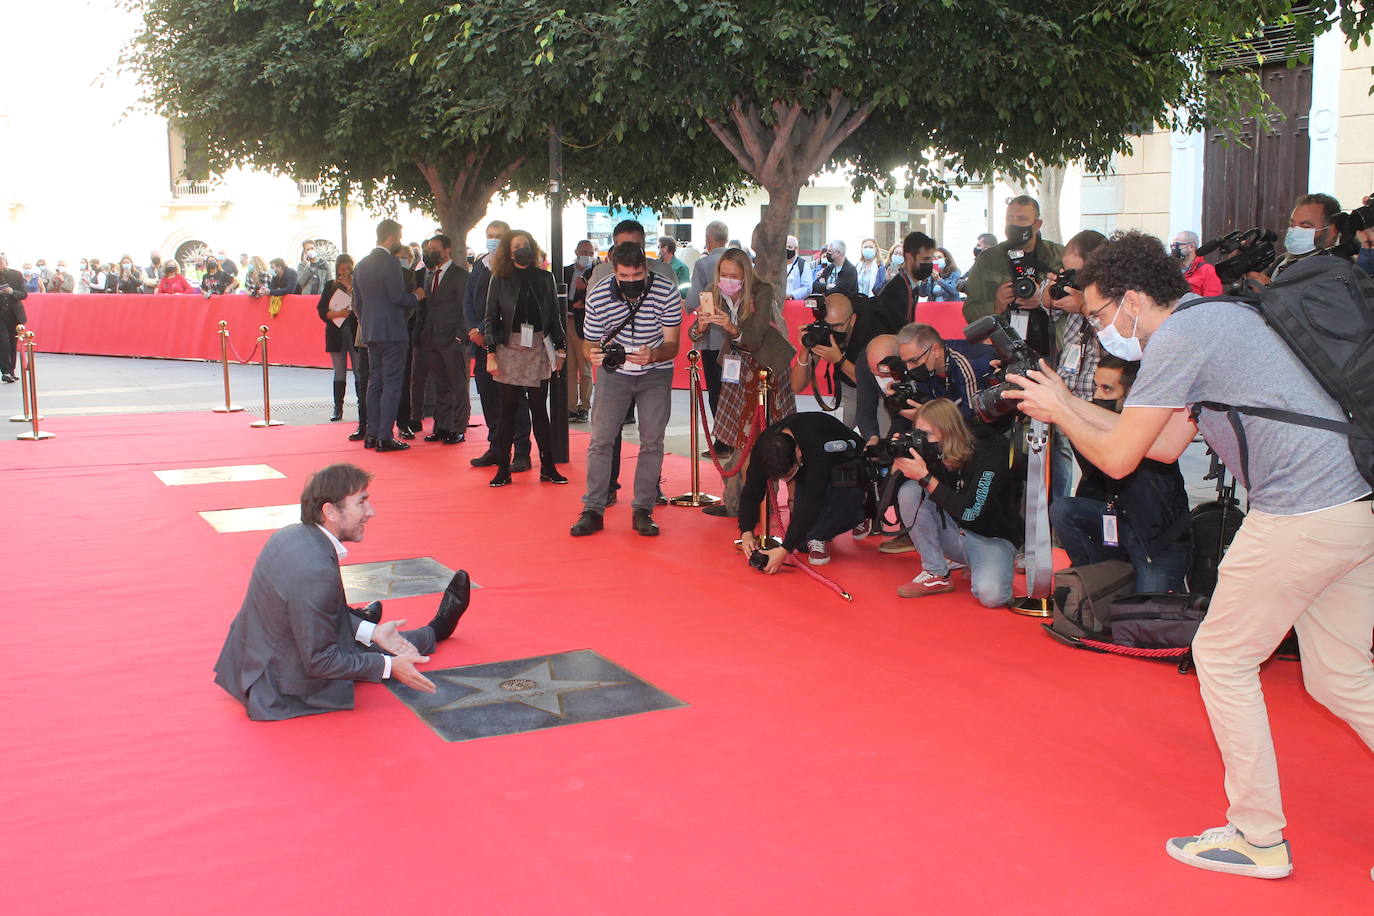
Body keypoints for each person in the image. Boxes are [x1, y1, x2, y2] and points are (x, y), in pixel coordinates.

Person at [1004, 229, 1373, 881]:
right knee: (1340, 677)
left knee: (1223, 659)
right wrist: (1066, 404)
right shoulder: (1218, 319)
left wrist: (1060, 411)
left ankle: (1258, 837)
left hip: (1300, 513)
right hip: (1352, 507)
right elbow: (1161, 445)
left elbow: (1118, 457)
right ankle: (1257, 832)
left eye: (1099, 314)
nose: (1099, 328)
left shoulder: (1178, 338)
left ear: (1136, 299)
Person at [213, 463, 471, 721]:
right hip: (280, 686)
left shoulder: (291, 535)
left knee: (371, 641)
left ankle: (410, 629)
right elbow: (320, 661)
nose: (371, 511)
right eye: (362, 502)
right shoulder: (315, 572)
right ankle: (437, 629)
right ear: (330, 512)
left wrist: (372, 631)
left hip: (251, 661)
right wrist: (390, 667)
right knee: (372, 654)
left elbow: (301, 612)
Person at [1049, 355, 1191, 593]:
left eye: (1107, 389)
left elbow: (1118, 464)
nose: (1097, 396)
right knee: (1064, 510)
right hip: (1116, 523)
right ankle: (1095, 582)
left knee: (1145, 622)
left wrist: (1069, 410)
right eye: (1095, 386)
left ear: (1132, 394)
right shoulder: (1096, 425)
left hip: (1156, 541)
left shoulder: (1153, 436)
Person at [571, 241, 683, 538]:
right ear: (614, 272)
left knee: (652, 441)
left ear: (646, 270)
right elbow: (589, 342)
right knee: (600, 440)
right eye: (625, 277)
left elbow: (673, 344)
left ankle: (643, 510)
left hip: (655, 374)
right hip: (613, 375)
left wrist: (655, 354)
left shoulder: (665, 291)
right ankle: (593, 509)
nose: (632, 282)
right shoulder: (598, 295)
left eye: (637, 276)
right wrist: (592, 354)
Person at [692, 248, 798, 517]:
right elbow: (694, 335)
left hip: (767, 365)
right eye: (724, 275)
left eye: (735, 276)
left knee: (766, 431)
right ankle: (740, 497)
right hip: (737, 367)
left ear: (746, 275)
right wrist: (702, 327)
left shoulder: (762, 291)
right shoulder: (713, 290)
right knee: (741, 432)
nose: (728, 281)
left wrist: (731, 327)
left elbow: (756, 334)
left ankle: (759, 500)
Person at [891, 398, 1020, 605]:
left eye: (927, 435)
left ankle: (986, 563)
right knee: (910, 491)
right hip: (953, 532)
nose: (922, 441)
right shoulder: (931, 451)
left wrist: (926, 478)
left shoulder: (989, 457)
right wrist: (900, 461)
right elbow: (894, 502)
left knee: (992, 596)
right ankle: (937, 572)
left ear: (949, 431)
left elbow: (971, 513)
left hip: (991, 537)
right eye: (918, 435)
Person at [482, 230, 566, 487]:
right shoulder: (499, 278)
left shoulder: (545, 277)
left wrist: (561, 350)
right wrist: (491, 353)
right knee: (507, 410)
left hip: (538, 346)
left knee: (540, 409)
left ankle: (548, 466)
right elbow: (491, 317)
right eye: (516, 246)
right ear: (508, 250)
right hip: (509, 348)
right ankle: (503, 469)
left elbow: (554, 316)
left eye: (525, 245)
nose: (521, 249)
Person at [738, 412, 867, 569]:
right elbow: (751, 492)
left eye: (790, 473)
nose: (788, 479)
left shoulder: (816, 445)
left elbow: (812, 500)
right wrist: (746, 532)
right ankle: (820, 532)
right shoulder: (765, 447)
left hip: (849, 461)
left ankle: (862, 511)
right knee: (802, 543)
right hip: (811, 463)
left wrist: (784, 550)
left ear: (798, 452)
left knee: (819, 525)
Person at [1040, 228, 1109, 497]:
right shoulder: (1074, 293)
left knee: (1099, 483)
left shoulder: (1110, 300)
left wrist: (1084, 304)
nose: (1072, 280)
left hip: (1097, 405)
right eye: (1066, 272)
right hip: (1070, 401)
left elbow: (1113, 344)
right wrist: (1051, 290)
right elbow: (1045, 304)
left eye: (1076, 273)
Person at [466, 220, 533, 469]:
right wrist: (473, 329)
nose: (493, 239)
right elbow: (468, 300)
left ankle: (522, 452)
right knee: (489, 397)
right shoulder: (480, 265)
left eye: (498, 235)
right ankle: (496, 446)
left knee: (514, 398)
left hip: (507, 343)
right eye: (489, 235)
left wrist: (484, 329)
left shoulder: (517, 269)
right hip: (481, 344)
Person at [963, 195, 1064, 358]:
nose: (1014, 224)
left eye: (1022, 219)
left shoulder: (1059, 257)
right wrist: (996, 307)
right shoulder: (988, 260)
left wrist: (1045, 300)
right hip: (1003, 351)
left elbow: (1080, 306)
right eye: (1009, 218)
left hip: (1054, 350)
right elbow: (969, 310)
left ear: (1037, 225)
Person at [355, 218, 423, 452]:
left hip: (371, 331)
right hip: (393, 331)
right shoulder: (392, 264)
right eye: (399, 238)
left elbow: (358, 303)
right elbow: (397, 297)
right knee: (392, 384)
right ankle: (385, 436)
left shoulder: (361, 264)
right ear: (392, 237)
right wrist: (416, 297)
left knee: (375, 382)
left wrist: (367, 321)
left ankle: (372, 434)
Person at [410, 234, 471, 445]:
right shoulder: (428, 275)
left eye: (435, 248)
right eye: (428, 249)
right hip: (431, 339)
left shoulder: (460, 275)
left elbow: (466, 307)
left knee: (458, 384)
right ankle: (442, 426)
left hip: (452, 339)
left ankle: (459, 427)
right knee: (440, 384)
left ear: (447, 250)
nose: (430, 252)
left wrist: (460, 336)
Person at [791, 292, 882, 428]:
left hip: (881, 394)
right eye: (828, 326)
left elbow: (876, 385)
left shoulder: (873, 334)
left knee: (881, 440)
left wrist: (839, 360)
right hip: (848, 388)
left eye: (837, 326)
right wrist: (804, 351)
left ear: (852, 319)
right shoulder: (824, 330)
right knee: (833, 435)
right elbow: (796, 386)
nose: (832, 331)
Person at [687, 219, 732, 451]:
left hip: (713, 338)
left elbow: (695, 300)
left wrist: (685, 306)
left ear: (708, 239)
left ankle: (723, 440)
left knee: (717, 390)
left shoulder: (704, 265)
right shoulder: (741, 263)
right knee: (734, 388)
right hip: (737, 339)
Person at [316, 254, 360, 424]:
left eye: (347, 269)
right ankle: (338, 407)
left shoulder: (357, 285)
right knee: (339, 371)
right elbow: (321, 311)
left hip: (355, 333)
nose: (344, 273)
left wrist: (351, 290)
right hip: (336, 334)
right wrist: (337, 313)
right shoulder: (330, 286)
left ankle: (362, 406)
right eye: (340, 270)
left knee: (359, 371)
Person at [873, 231, 938, 333]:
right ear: (909, 258)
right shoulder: (896, 292)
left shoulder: (910, 286)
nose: (929, 264)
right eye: (925, 259)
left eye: (931, 260)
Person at [563, 239, 597, 423]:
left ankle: (584, 406)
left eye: (591, 253)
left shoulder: (595, 273)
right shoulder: (565, 271)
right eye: (584, 252)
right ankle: (570, 406)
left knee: (584, 369)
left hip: (584, 325)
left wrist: (582, 302)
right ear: (576, 251)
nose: (587, 256)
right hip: (565, 322)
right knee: (569, 368)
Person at [0, 255, 28, 383]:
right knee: (3, 342)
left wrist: (12, 292)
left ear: (6, 262)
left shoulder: (16, 274)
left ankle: (11, 370)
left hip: (14, 315)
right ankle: (5, 371)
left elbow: (23, 294)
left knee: (12, 343)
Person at [1170, 231, 1222, 296]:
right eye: (1172, 246)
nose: (1173, 249)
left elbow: (1212, 300)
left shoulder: (1207, 270)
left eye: (1177, 245)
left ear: (1191, 247)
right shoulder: (1171, 269)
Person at [784, 235, 812, 301]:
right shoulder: (776, 264)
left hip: (795, 304)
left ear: (796, 249)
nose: (787, 249)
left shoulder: (803, 265)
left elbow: (807, 288)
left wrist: (791, 295)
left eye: (789, 247)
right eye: (785, 247)